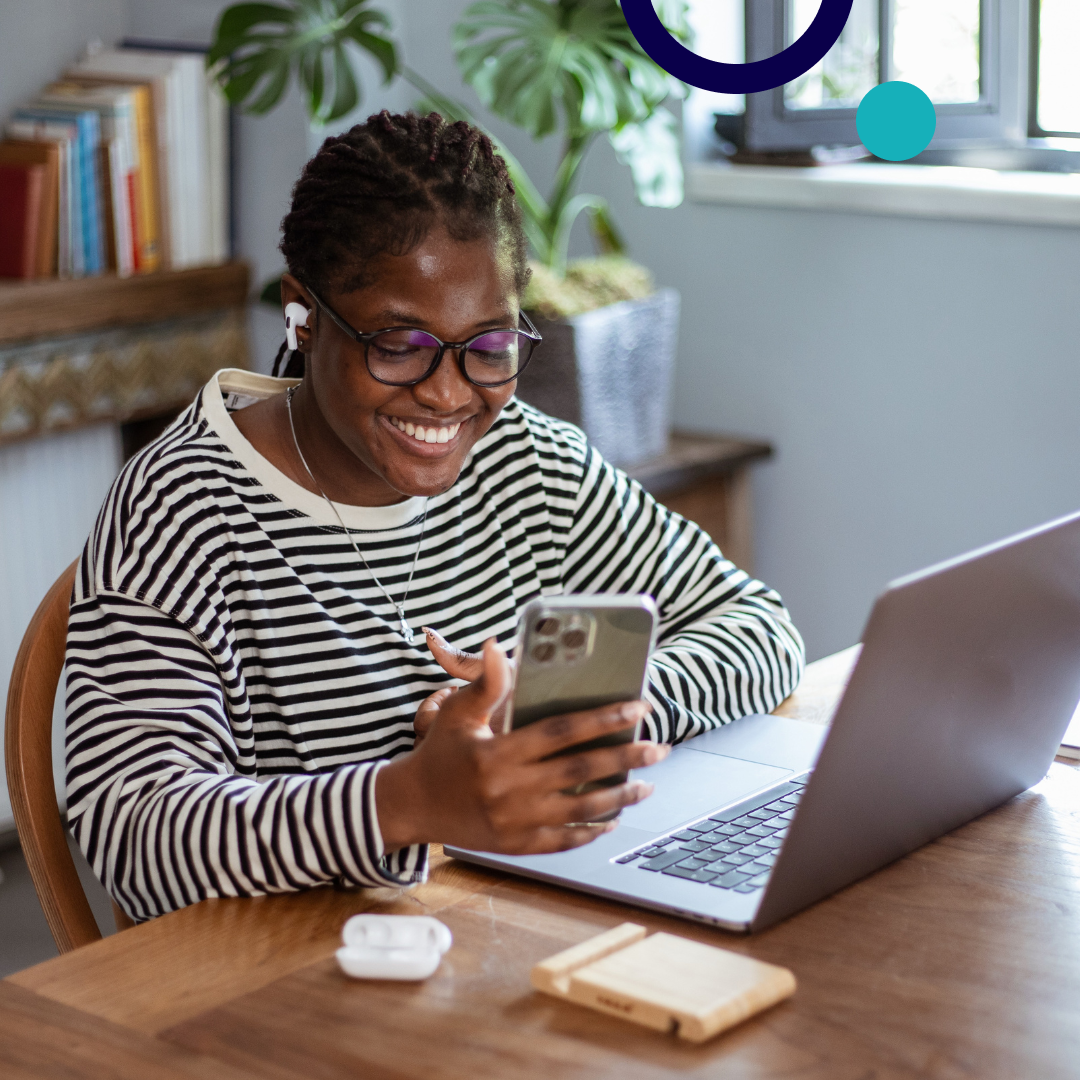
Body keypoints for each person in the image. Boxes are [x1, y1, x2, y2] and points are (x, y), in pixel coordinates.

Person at [65, 112, 804, 922]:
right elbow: (131, 834)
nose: (449, 395)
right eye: (399, 345)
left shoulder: (524, 461)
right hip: (275, 986)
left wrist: (572, 719)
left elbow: (758, 626)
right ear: (302, 317)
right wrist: (407, 801)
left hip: (476, 941)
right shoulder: (183, 508)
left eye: (487, 348)